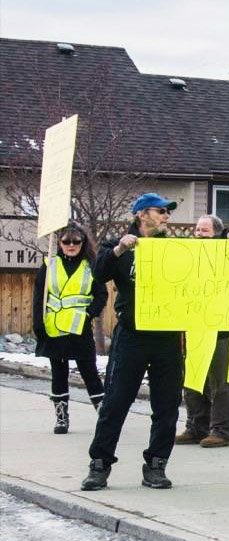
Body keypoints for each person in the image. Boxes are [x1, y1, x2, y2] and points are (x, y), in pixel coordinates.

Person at [81, 193, 184, 491]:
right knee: (116, 402)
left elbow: (207, 270)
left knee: (166, 407)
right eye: (160, 211)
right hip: (132, 335)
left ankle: (156, 465)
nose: (166, 216)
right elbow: (99, 273)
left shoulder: (174, 248)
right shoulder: (119, 245)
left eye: (168, 212)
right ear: (142, 214)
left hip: (167, 336)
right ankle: (99, 464)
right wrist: (117, 250)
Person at [33, 223, 108, 434]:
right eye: (67, 241)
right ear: (60, 243)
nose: (71, 245)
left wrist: (89, 314)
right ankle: (61, 419)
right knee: (59, 375)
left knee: (90, 373)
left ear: (83, 243)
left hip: (79, 328)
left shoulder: (91, 266)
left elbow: (101, 295)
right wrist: (38, 325)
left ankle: (104, 418)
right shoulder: (50, 264)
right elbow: (39, 296)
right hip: (54, 328)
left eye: (76, 241)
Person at [175, 215, 229, 448]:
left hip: (221, 328)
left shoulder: (227, 253)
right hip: (194, 326)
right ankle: (196, 426)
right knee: (194, 378)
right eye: (197, 230)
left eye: (204, 230)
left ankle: (222, 431)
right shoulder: (187, 256)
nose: (199, 234)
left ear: (216, 233)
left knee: (221, 381)